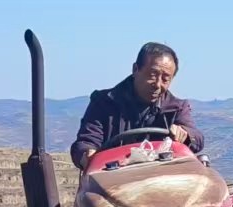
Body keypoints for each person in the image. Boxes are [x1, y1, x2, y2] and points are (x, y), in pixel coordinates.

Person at [70, 42, 204, 169]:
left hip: (162, 179)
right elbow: (86, 142)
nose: (157, 85)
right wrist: (87, 154)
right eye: (152, 75)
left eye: (165, 79)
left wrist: (185, 135)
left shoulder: (176, 108)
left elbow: (197, 139)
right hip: (114, 179)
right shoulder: (104, 103)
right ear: (135, 69)